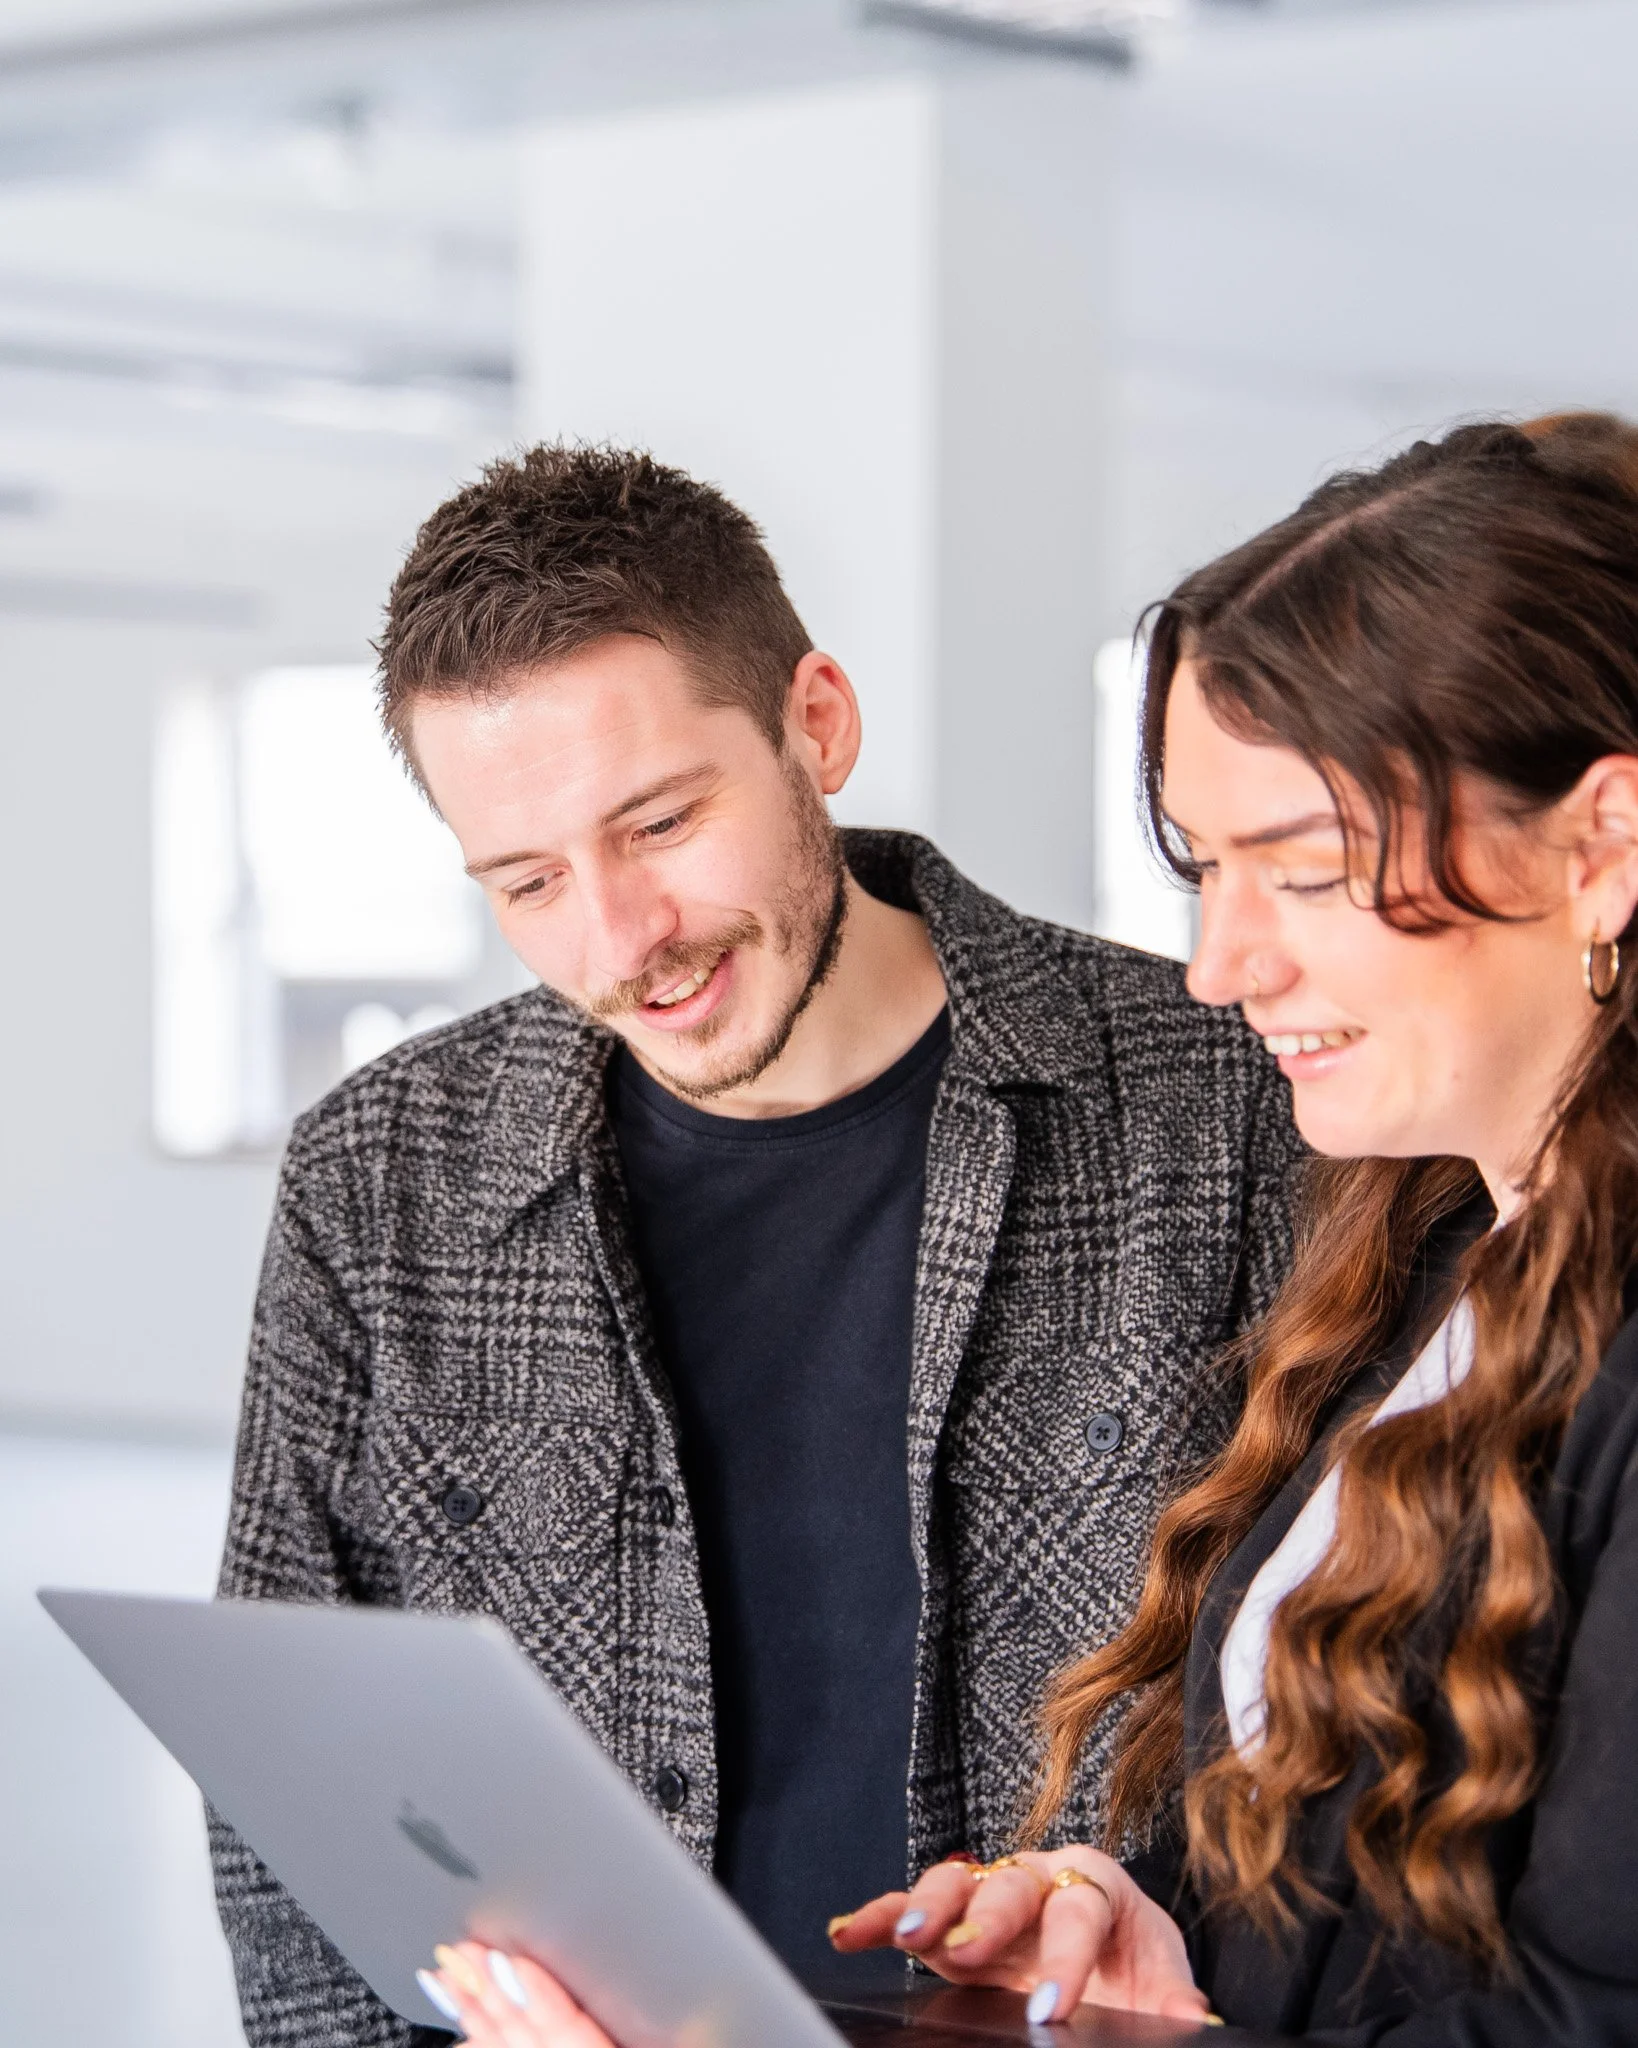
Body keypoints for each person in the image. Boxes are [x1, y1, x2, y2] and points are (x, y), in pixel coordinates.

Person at [427, 415, 1638, 2046]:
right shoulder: (1426, 1255)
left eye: (1300, 870)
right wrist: (1158, 1944)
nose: (1222, 967)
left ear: (1599, 845)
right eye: (1204, 869)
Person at [211, 444, 1298, 2047]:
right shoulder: (381, 1180)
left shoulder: (1226, 1101)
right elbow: (292, 1799)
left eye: (657, 824)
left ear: (817, 725)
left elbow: (1366, 1712)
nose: (616, 939)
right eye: (525, 880)